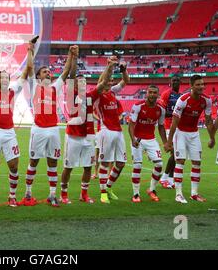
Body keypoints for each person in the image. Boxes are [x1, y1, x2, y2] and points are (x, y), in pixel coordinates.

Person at [18, 46, 74, 207]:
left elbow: (65, 71)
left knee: (53, 162)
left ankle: (52, 195)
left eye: (49, 72)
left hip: (53, 130)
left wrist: (70, 54)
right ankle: (28, 193)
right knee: (33, 161)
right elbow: (29, 67)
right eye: (45, 72)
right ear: (38, 76)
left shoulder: (55, 88)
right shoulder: (35, 86)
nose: (48, 73)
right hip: (39, 129)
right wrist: (29, 49)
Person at [0, 40, 34, 208]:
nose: (5, 79)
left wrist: (29, 50)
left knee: (14, 165)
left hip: (9, 132)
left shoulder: (13, 92)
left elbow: (26, 73)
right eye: (2, 77)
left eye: (7, 77)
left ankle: (12, 196)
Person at [60, 49, 115, 205]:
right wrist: (75, 57)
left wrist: (109, 66)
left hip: (88, 137)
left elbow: (103, 83)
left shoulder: (91, 95)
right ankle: (63, 194)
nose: (81, 83)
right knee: (68, 167)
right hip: (73, 136)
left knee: (88, 167)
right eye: (79, 81)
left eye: (84, 81)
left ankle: (84, 194)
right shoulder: (71, 93)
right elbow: (71, 74)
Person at [164, 74, 215, 204]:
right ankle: (179, 194)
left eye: (202, 84)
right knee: (180, 161)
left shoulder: (207, 100)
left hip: (194, 134)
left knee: (197, 163)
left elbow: (208, 120)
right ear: (191, 86)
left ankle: (194, 194)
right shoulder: (183, 100)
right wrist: (169, 142)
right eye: (198, 84)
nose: (201, 87)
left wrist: (212, 137)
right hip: (180, 133)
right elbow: (174, 122)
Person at [92, 58, 130, 204]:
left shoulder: (113, 92)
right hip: (105, 131)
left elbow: (126, 81)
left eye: (112, 80)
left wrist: (124, 69)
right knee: (105, 162)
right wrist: (109, 66)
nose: (111, 81)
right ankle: (102, 193)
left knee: (120, 163)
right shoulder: (98, 93)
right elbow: (103, 80)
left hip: (118, 131)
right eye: (109, 79)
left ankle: (108, 187)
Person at [128, 85, 167, 203]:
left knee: (159, 165)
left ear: (158, 94)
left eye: (155, 93)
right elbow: (131, 125)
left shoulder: (161, 109)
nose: (152, 95)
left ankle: (152, 189)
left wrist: (165, 143)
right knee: (137, 166)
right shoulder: (138, 106)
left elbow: (161, 127)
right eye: (150, 92)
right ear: (146, 93)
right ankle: (135, 194)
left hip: (151, 139)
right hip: (138, 139)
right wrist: (133, 139)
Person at [159, 75, 182, 189]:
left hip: (179, 127)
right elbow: (162, 111)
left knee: (177, 155)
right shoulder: (166, 94)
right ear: (170, 83)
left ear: (180, 82)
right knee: (175, 153)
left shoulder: (181, 96)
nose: (175, 82)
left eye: (177, 80)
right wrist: (175, 113)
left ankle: (170, 179)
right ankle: (164, 178)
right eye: (174, 81)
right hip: (169, 126)